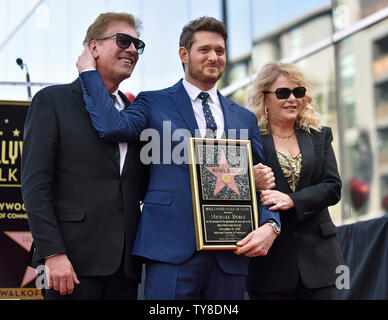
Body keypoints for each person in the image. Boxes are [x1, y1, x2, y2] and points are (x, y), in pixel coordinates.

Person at [76, 16, 280, 300]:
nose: (213, 57)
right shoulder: (152, 102)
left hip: (231, 251)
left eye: (220, 51)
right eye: (204, 49)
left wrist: (271, 225)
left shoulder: (245, 118)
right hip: (170, 250)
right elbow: (113, 126)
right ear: (184, 54)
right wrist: (89, 73)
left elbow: (265, 182)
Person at [21, 12, 148, 300]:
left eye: (137, 46)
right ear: (93, 48)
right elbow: (35, 186)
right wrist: (53, 253)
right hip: (68, 265)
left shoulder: (135, 112)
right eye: (123, 40)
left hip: (126, 268)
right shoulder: (52, 101)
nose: (131, 50)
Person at [247, 62, 344, 300]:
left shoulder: (320, 136)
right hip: (270, 265)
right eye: (283, 93)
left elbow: (333, 187)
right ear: (264, 97)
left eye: (298, 92)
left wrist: (292, 200)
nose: (292, 99)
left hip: (322, 261)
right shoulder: (251, 141)